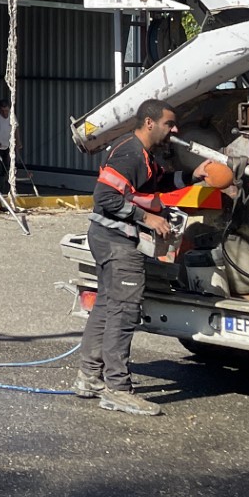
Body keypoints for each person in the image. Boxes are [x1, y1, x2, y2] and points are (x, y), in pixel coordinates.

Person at [76, 99, 179, 416]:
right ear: (150, 123)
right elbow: (105, 196)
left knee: (106, 308)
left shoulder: (144, 156)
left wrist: (200, 175)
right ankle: (118, 389)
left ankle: (89, 377)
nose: (173, 129)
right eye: (168, 124)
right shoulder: (131, 152)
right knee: (123, 314)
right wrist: (148, 220)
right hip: (116, 243)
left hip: (110, 240)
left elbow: (159, 183)